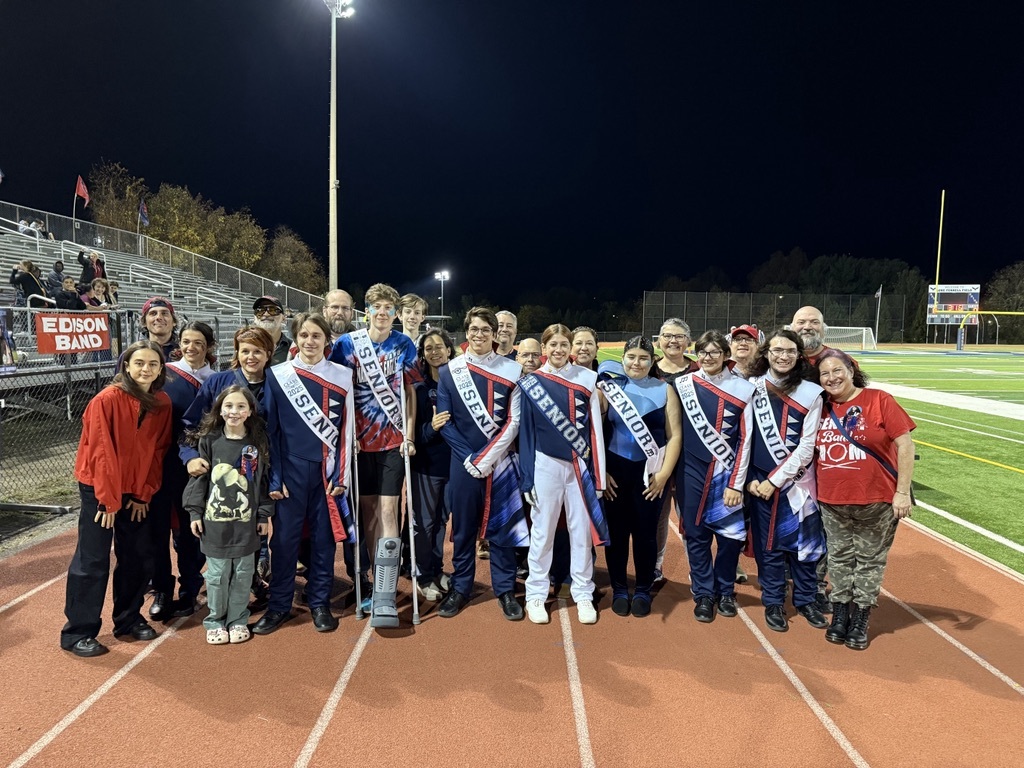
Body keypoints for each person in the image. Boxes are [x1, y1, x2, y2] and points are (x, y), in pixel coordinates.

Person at [59, 341, 173, 657]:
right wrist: (108, 500)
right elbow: (100, 451)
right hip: (100, 488)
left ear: (161, 369)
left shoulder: (161, 402)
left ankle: (127, 618)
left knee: (137, 554)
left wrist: (142, 493)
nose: (146, 369)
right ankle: (77, 632)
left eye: (153, 363)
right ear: (126, 366)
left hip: (135, 490)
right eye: (139, 363)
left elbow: (158, 451)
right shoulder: (106, 400)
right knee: (93, 558)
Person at [254, 313, 355, 635]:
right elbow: (271, 432)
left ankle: (320, 602)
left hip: (326, 473)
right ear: (295, 339)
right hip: (290, 472)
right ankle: (279, 605)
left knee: (324, 541)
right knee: (283, 542)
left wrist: (341, 477)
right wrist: (275, 477)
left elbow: (346, 430)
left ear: (327, 340)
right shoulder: (278, 374)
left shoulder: (343, 375)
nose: (310, 341)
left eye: (316, 335)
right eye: (304, 335)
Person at [328, 283, 418, 628]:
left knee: (389, 510)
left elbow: (409, 391)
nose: (382, 313)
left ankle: (386, 591)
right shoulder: (348, 345)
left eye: (388, 309)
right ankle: (369, 578)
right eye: (377, 307)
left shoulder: (403, 344)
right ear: (367, 311)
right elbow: (337, 388)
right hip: (359, 443)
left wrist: (408, 434)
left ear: (395, 313)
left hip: (393, 441)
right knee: (367, 513)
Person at [815, 349, 915, 650]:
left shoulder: (879, 400)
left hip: (876, 500)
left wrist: (901, 491)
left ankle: (861, 617)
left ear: (851, 370)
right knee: (839, 559)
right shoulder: (820, 407)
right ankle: (841, 613)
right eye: (824, 374)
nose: (831, 377)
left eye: (837, 370)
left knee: (869, 562)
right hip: (832, 501)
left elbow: (905, 446)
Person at [435, 308, 527, 620]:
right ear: (467, 332)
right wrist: (471, 459)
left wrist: (487, 459)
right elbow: (445, 423)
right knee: (463, 529)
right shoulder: (450, 371)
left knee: (502, 529)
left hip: (501, 461)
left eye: (485, 330)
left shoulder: (513, 371)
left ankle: (505, 589)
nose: (479, 335)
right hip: (463, 464)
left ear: (494, 334)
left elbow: (514, 422)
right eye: (474, 329)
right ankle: (460, 587)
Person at [518, 323, 607, 626]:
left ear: (570, 348)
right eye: (552, 344)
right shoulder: (531, 382)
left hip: (579, 467)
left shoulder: (588, 378)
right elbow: (527, 434)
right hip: (545, 464)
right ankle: (536, 594)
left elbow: (595, 431)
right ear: (544, 348)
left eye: (563, 344)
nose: (558, 350)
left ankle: (583, 591)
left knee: (581, 531)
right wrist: (527, 476)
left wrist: (599, 475)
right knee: (542, 532)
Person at [181, 327, 275, 605]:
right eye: (244, 350)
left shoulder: (279, 382)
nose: (250, 356)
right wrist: (189, 457)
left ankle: (256, 578)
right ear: (236, 352)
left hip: (261, 471)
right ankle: (218, 589)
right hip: (220, 470)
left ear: (268, 354)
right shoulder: (218, 383)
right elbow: (191, 426)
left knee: (258, 524)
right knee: (224, 524)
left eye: (257, 350)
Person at [743, 328, 828, 633]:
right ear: (766, 353)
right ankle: (774, 601)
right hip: (759, 483)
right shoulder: (750, 387)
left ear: (799, 356)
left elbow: (807, 446)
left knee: (805, 545)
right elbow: (744, 437)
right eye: (777, 350)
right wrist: (749, 480)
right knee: (770, 548)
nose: (783, 356)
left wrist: (776, 480)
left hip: (798, 484)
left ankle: (805, 600)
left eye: (790, 351)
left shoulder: (811, 392)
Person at [673, 330, 754, 623]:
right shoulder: (683, 384)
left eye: (714, 353)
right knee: (696, 535)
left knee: (730, 538)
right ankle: (704, 594)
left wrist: (736, 482)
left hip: (728, 473)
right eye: (703, 353)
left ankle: (726, 591)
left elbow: (746, 440)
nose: (708, 358)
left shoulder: (743, 389)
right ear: (697, 355)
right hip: (690, 471)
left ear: (725, 355)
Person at [598, 336, 682, 617]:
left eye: (643, 358)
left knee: (646, 536)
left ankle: (643, 589)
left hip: (650, 477)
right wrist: (603, 473)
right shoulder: (610, 389)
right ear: (623, 358)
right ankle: (620, 588)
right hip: (615, 475)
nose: (637, 363)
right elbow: (596, 433)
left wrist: (664, 474)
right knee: (618, 535)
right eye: (631, 357)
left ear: (652, 361)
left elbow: (674, 435)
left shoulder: (665, 389)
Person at [184, 387, 274, 645]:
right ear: (220, 410)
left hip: (245, 526)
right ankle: (215, 620)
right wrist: (195, 513)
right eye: (229, 406)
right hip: (215, 526)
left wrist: (263, 516)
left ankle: (238, 619)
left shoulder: (258, 442)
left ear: (250, 411)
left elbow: (263, 483)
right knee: (217, 574)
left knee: (244, 573)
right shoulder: (209, 441)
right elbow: (199, 481)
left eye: (240, 406)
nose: (234, 411)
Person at [148, 322, 216, 623]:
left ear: (209, 346)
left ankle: (190, 588)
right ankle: (162, 590)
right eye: (187, 341)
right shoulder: (166, 374)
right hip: (164, 463)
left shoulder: (218, 380)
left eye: (198, 342)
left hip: (202, 465)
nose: (191, 347)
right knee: (158, 530)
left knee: (192, 531)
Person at [650, 318, 699, 583]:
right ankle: (655, 566)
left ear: (688, 341)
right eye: (667, 335)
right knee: (658, 517)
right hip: (655, 455)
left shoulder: (700, 370)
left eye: (679, 336)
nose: (673, 341)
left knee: (690, 516)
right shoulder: (649, 370)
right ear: (659, 340)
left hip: (692, 456)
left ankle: (698, 570)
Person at [409, 329, 455, 601]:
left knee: (441, 522)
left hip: (454, 467)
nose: (435, 351)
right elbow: (413, 434)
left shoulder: (460, 384)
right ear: (423, 356)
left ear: (450, 349)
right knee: (424, 524)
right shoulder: (419, 389)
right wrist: (432, 427)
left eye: (440, 346)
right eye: (429, 348)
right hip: (426, 467)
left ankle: (436, 570)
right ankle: (422, 575)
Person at [252, 296, 292, 364]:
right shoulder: (246, 346)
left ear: (283, 318)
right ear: (254, 318)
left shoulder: (293, 348)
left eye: (272, 310)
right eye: (260, 310)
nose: (266, 314)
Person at [140, 297, 178, 361]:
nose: (159, 317)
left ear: (174, 321)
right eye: (153, 313)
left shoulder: (186, 353)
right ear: (144, 322)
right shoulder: (132, 354)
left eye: (164, 313)